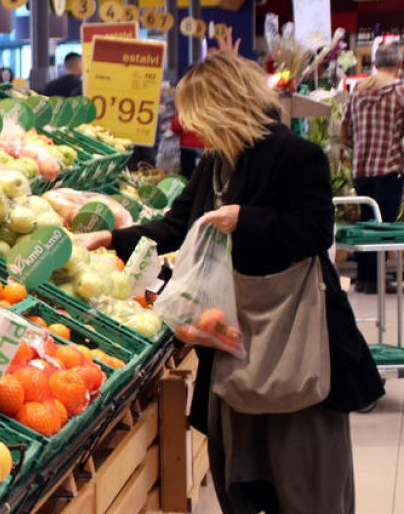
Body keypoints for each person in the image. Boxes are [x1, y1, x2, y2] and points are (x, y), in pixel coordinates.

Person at [80, 52, 382, 514]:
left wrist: (247, 220)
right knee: (242, 474)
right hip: (234, 341)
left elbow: (316, 233)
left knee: (304, 477)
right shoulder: (216, 163)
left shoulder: (296, 156)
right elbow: (176, 226)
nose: (194, 130)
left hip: (295, 340)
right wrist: (105, 238)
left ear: (227, 105)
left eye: (199, 116)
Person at [340, 43, 404, 293]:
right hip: (388, 169)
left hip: (361, 172)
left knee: (367, 224)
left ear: (376, 64)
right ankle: (376, 281)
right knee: (383, 228)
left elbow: (345, 131)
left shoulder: (358, 92)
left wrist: (358, 148)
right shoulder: (398, 92)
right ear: (398, 65)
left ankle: (365, 279)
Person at [171, 112, 204, 179]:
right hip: (204, 146)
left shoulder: (184, 111)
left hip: (187, 146)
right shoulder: (206, 109)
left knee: (187, 173)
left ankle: (189, 187)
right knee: (204, 173)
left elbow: (176, 128)